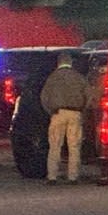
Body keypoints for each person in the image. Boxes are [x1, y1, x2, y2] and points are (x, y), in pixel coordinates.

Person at [40, 52, 88, 185]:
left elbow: (44, 97)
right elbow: (88, 96)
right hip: (75, 113)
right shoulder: (79, 77)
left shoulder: (52, 78)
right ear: (71, 62)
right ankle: (73, 177)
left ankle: (52, 177)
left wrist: (51, 112)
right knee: (74, 146)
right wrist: (81, 111)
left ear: (58, 62)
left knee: (55, 146)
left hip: (58, 114)